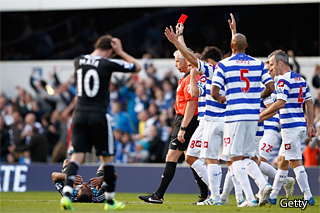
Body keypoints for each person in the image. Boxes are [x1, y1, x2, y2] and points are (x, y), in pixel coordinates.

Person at [60, 34, 141, 211]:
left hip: (79, 114)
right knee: (107, 157)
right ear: (110, 50)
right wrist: (120, 51)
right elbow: (137, 67)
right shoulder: (106, 63)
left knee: (76, 156)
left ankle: (66, 196)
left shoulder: (78, 60)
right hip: (98, 114)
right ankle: (110, 201)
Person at [210, 33, 275, 207]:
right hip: (253, 116)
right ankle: (263, 185)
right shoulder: (258, 64)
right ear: (246, 46)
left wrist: (221, 99)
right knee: (248, 156)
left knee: (234, 158)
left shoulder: (224, 65)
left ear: (231, 47)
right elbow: (270, 87)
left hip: (234, 117)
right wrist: (256, 97)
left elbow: (214, 92)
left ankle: (250, 198)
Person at [138, 39, 201, 204]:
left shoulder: (189, 79)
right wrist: (179, 36)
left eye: (177, 61)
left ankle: (158, 195)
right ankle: (207, 194)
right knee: (191, 158)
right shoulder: (186, 77)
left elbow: (191, 104)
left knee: (172, 156)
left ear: (186, 61)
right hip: (185, 120)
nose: (175, 65)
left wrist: (183, 128)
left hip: (186, 120)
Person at [259, 49, 316, 205]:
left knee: (295, 162)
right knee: (281, 161)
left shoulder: (283, 80)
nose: (271, 68)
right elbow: (309, 102)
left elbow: (280, 103)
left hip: (290, 126)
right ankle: (273, 197)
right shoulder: (300, 79)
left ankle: (308, 196)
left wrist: (260, 116)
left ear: (280, 63)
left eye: (272, 64)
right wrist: (310, 125)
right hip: (298, 125)